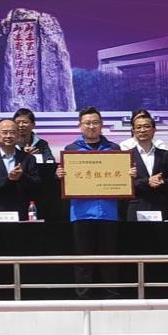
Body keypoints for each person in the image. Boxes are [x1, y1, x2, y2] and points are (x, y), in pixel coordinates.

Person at [56, 106, 133, 299]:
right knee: (83, 258)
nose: (91, 126)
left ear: (102, 125)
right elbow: (66, 178)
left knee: (110, 258)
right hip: (81, 212)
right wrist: (60, 174)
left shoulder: (114, 149)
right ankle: (83, 296)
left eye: (95, 123)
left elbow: (123, 175)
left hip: (108, 211)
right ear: (80, 126)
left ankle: (111, 295)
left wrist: (129, 175)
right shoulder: (71, 150)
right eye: (87, 123)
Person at [0, 118, 41, 221]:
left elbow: (37, 185)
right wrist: (8, 178)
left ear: (18, 135)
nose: (8, 136)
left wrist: (21, 176)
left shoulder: (28, 159)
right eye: (4, 132)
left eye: (12, 132)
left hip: (22, 213)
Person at [125, 110, 168, 221]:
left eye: (146, 126)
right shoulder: (127, 156)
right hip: (136, 208)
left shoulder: (165, 155)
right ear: (133, 131)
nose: (142, 130)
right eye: (138, 127)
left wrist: (162, 182)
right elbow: (124, 185)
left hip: (161, 207)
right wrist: (147, 181)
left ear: (154, 130)